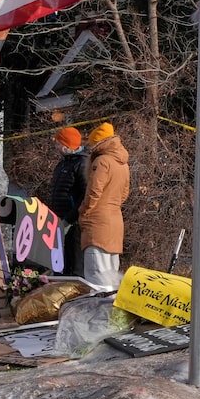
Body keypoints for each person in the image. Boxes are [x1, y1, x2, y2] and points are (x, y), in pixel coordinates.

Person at [79, 122, 130, 291]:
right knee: (111, 274)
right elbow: (124, 194)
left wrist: (84, 211)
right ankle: (112, 314)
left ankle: (98, 315)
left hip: (98, 223)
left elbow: (94, 192)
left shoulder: (102, 162)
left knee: (96, 275)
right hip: (115, 220)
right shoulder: (123, 163)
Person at [50, 126, 88, 276]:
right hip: (59, 219)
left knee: (75, 262)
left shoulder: (82, 164)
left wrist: (70, 219)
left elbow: (84, 195)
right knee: (60, 262)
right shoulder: (63, 163)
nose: (56, 147)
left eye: (59, 143)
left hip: (74, 222)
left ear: (67, 145)